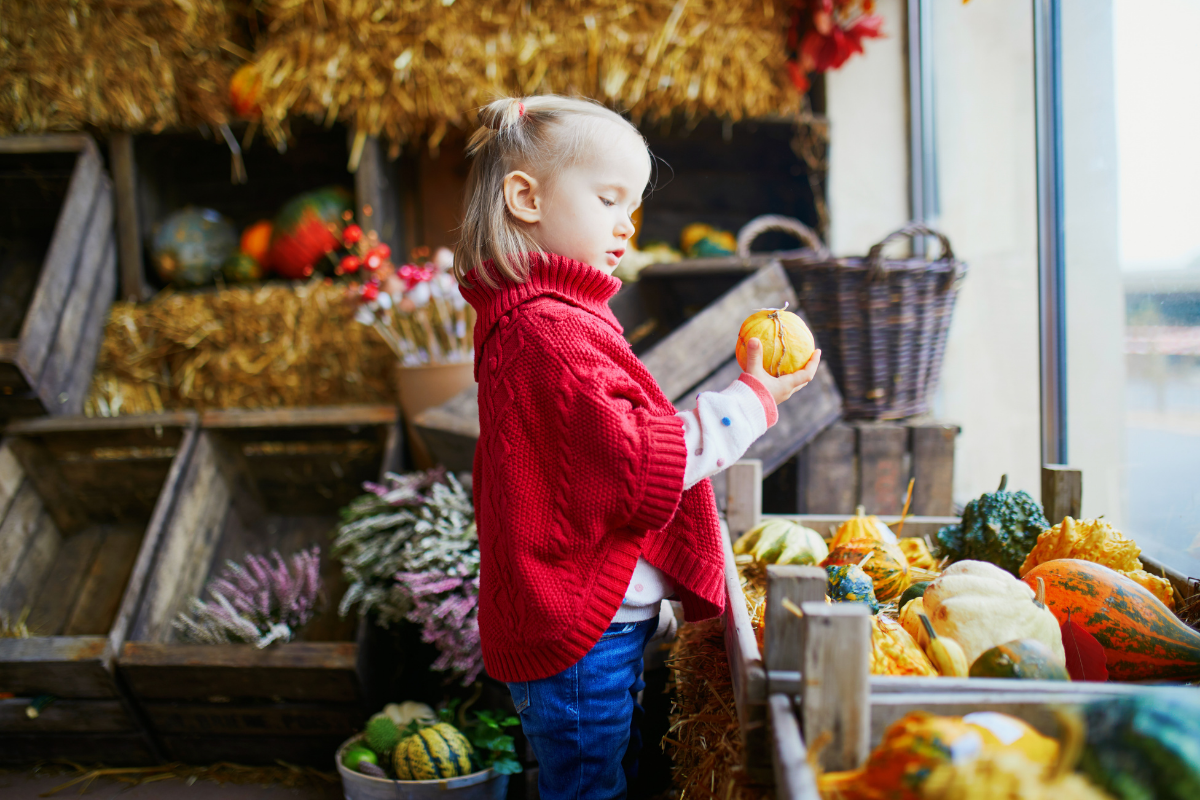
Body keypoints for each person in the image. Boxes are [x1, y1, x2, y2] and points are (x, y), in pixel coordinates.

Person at [455, 95, 821, 800]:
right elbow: (644, 465)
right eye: (608, 198)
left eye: (634, 204)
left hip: (588, 628)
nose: (627, 223)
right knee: (591, 787)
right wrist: (753, 399)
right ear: (526, 198)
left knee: (601, 776)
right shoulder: (551, 334)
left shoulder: (550, 320)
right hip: (579, 638)